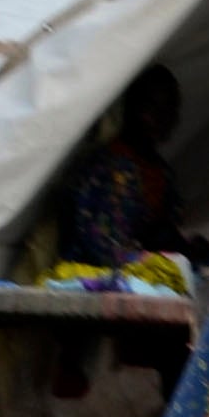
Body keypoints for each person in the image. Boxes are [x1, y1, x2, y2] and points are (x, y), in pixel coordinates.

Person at [61, 65, 188, 271]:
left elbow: (166, 233)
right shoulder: (107, 171)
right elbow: (103, 250)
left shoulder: (162, 172)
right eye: (151, 108)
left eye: (170, 109)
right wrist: (153, 262)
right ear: (132, 108)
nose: (162, 119)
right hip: (94, 282)